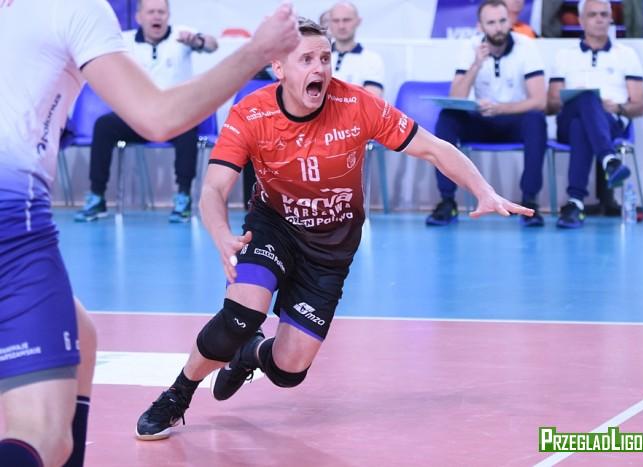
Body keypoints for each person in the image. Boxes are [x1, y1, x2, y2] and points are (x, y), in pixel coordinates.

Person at [134, 16, 532, 442]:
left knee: (289, 371)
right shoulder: (251, 112)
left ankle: (249, 354)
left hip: (331, 247)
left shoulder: (357, 105)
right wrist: (219, 233)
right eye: (306, 59)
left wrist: (483, 190)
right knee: (241, 316)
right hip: (273, 227)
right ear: (278, 67)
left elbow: (433, 149)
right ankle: (177, 395)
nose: (319, 68)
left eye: (325, 58)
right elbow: (213, 188)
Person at [0, 0, 300, 465]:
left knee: (80, 335)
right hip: (11, 222)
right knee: (42, 435)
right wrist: (257, 51)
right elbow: (158, 116)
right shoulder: (71, 8)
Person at [74, 0, 219, 223]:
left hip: (175, 118)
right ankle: (97, 196)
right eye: (151, 12)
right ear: (139, 17)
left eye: (161, 12)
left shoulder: (182, 36)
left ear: (168, 15)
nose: (156, 16)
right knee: (104, 125)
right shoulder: (124, 41)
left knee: (189, 124)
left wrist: (198, 41)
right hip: (138, 117)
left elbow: (212, 45)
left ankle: (183, 197)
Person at [427, 0, 547, 227]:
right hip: (481, 120)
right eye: (491, 23)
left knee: (536, 120)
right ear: (480, 27)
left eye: (502, 21)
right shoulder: (470, 47)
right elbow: (456, 98)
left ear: (509, 21)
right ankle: (447, 201)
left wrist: (502, 108)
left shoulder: (526, 46)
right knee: (448, 117)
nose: (498, 28)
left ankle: (529, 202)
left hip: (513, 120)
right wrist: (476, 65)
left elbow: (540, 101)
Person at [547, 0, 643, 228]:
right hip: (567, 120)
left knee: (581, 125)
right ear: (581, 20)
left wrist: (617, 107)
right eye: (593, 15)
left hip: (610, 122)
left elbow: (639, 106)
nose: (599, 19)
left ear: (611, 18)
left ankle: (575, 203)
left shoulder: (626, 55)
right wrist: (574, 98)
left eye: (604, 14)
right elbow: (550, 105)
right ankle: (609, 161)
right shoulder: (564, 55)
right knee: (586, 98)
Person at [328, 2, 385, 97]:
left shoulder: (372, 59)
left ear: (358, 21)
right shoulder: (318, 57)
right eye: (336, 20)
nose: (341, 26)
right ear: (329, 23)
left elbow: (371, 100)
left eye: (346, 20)